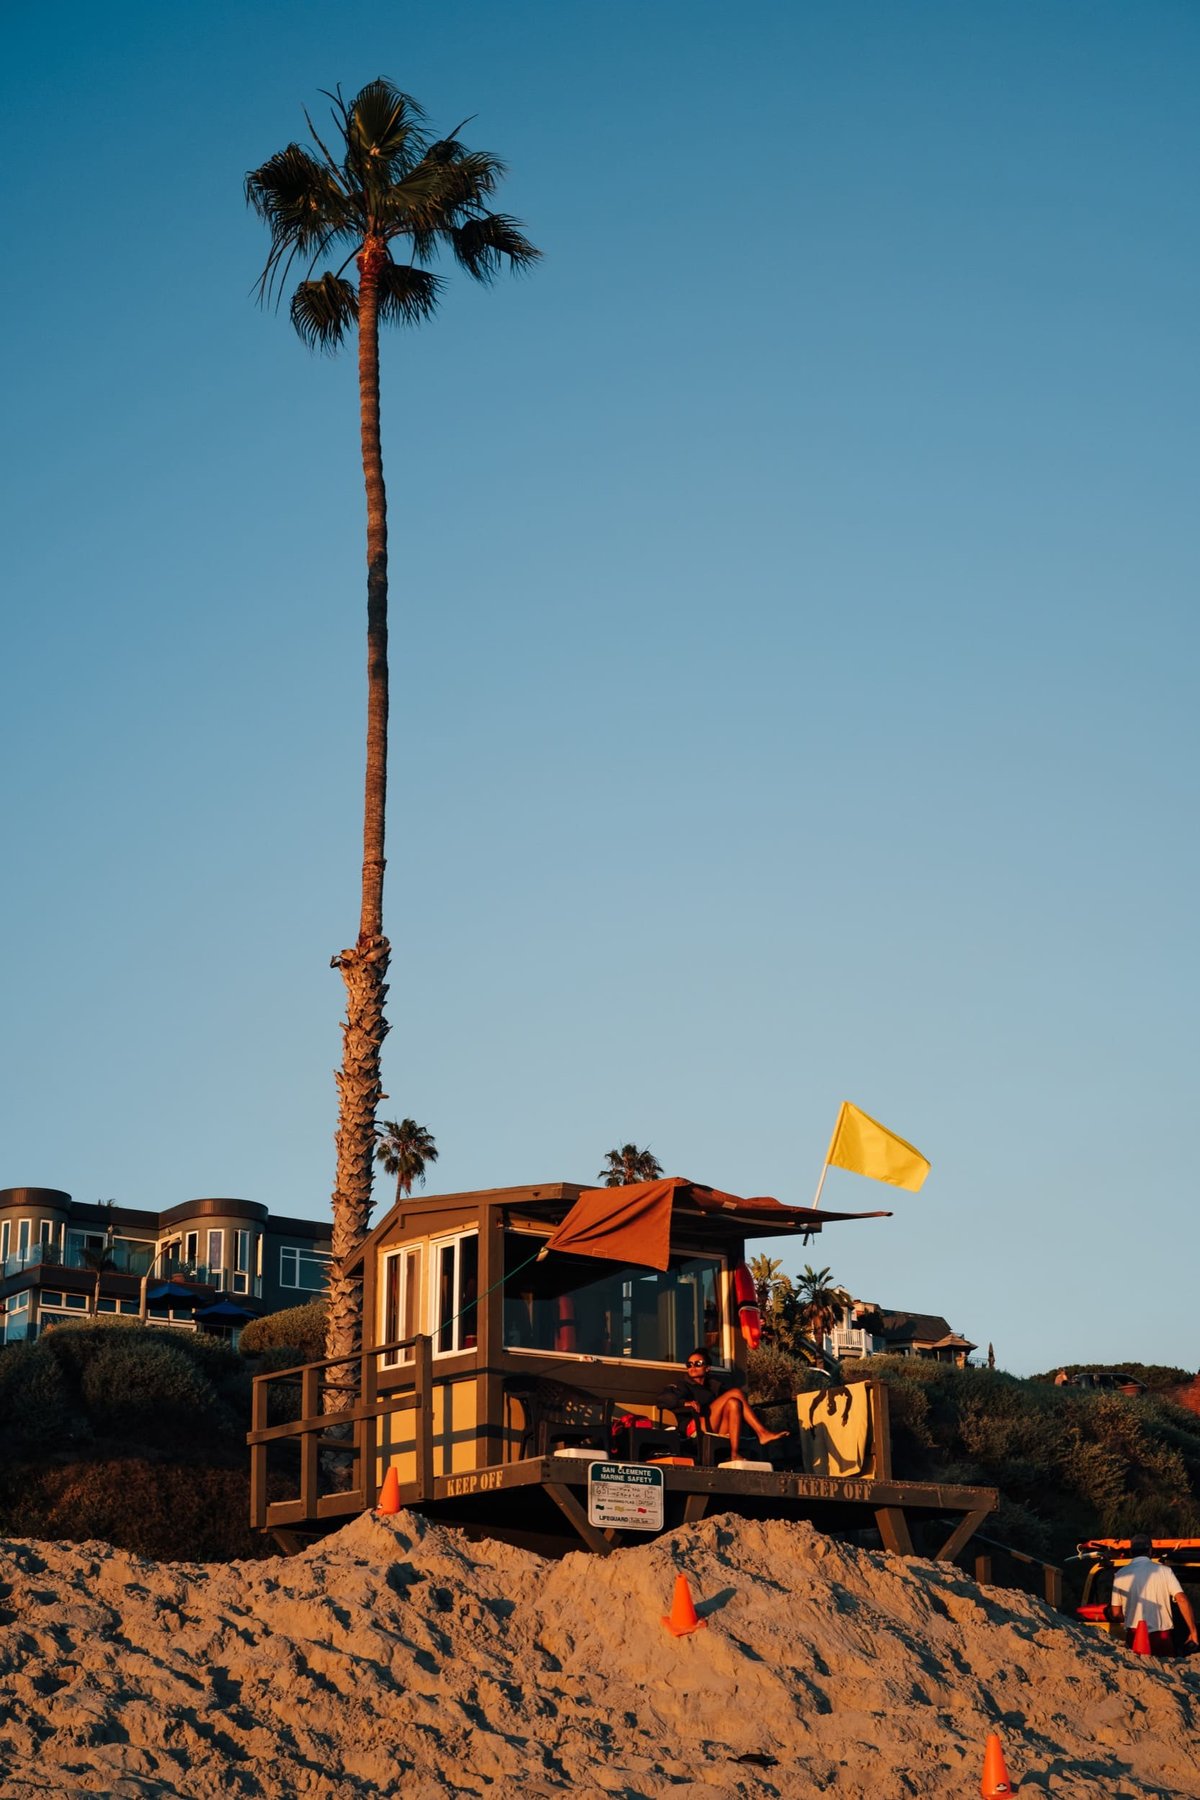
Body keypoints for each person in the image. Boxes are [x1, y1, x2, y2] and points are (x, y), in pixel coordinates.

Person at [658, 1348, 787, 1459]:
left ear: (707, 1368)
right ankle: (762, 1433)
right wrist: (684, 1402)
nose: (693, 1367)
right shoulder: (683, 1385)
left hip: (715, 1428)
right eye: (689, 1364)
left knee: (733, 1403)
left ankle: (734, 1453)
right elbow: (663, 1399)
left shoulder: (715, 1387)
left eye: (698, 1363)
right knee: (735, 1392)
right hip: (694, 1428)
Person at [1107, 1535, 1199, 1657]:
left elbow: (1116, 1613)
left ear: (1131, 1552)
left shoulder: (1120, 1574)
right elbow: (1181, 1599)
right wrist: (1193, 1631)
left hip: (1134, 1636)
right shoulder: (1164, 1571)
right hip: (1162, 1638)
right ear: (1150, 1551)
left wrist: (1128, 1618)